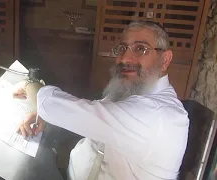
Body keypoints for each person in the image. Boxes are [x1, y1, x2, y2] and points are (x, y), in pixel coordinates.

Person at [13, 20, 189, 180]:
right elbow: (89, 114)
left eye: (140, 49)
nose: (125, 59)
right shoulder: (136, 89)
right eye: (122, 49)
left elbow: (55, 107)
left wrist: (30, 84)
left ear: (165, 60)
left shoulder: (157, 116)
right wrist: (44, 113)